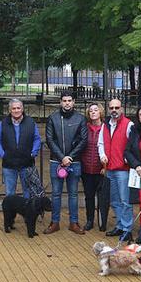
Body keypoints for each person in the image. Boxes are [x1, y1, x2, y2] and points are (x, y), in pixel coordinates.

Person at [44, 91, 88, 234]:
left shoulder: (80, 119)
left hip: (74, 162)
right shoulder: (52, 118)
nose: (67, 103)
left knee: (73, 194)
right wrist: (62, 157)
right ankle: (55, 222)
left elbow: (83, 140)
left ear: (74, 102)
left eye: (70, 100)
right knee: (56, 194)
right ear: (60, 102)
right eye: (64, 100)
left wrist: (70, 157)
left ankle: (73, 223)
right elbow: (50, 140)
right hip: (56, 161)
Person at [97, 99, 132, 243]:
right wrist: (102, 155)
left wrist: (127, 158)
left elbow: (132, 144)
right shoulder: (105, 125)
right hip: (109, 168)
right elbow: (100, 143)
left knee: (125, 201)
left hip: (122, 169)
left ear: (122, 108)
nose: (114, 110)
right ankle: (120, 225)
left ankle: (127, 229)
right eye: (111, 107)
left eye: (117, 107)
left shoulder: (129, 124)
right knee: (115, 201)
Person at [0, 98, 42, 198]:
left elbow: (37, 139)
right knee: (10, 193)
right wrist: (3, 154)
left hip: (27, 164)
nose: (16, 110)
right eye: (13, 108)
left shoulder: (31, 122)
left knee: (28, 193)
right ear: (10, 110)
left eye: (18, 108)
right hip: (9, 165)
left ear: (22, 109)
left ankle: (27, 213)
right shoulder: (3, 123)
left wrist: (33, 153)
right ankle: (10, 214)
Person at [81, 103, 111, 232]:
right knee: (89, 196)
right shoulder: (85, 128)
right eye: (91, 111)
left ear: (101, 112)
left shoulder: (106, 128)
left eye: (95, 110)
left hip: (101, 168)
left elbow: (109, 148)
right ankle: (89, 220)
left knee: (103, 197)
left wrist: (106, 166)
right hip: (86, 168)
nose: (93, 112)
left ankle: (102, 221)